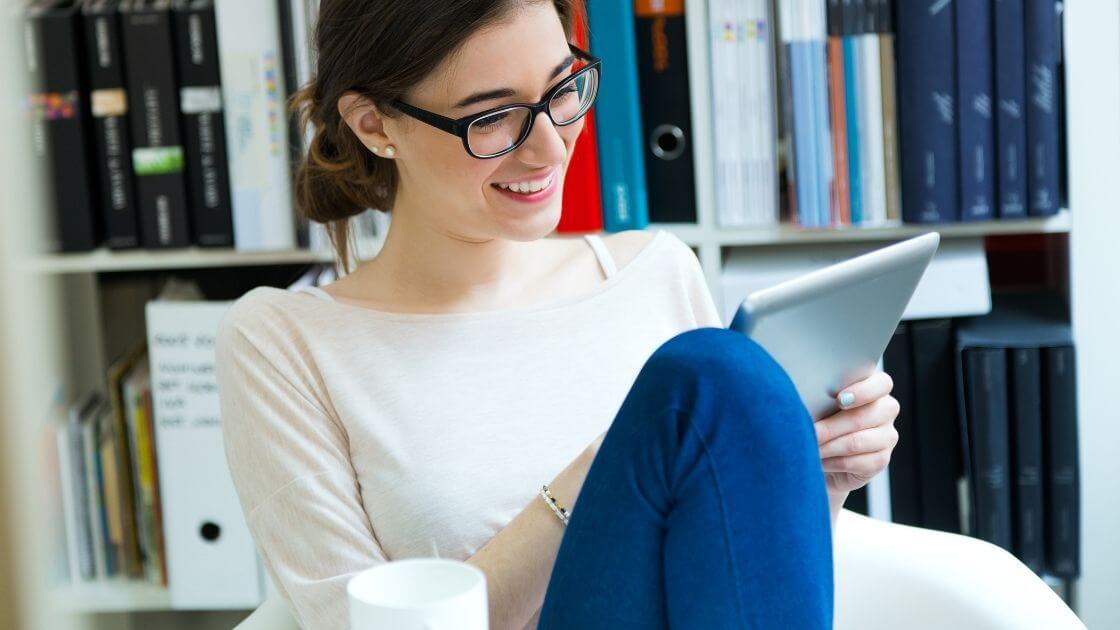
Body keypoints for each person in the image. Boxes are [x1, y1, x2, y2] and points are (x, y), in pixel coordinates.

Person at [215, 1, 900, 628]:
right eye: (492, 117)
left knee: (722, 380)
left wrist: (820, 480)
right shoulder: (285, 342)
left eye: (561, 88)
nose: (549, 148)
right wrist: (600, 471)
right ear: (374, 124)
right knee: (710, 377)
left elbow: (734, 588)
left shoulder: (654, 272)